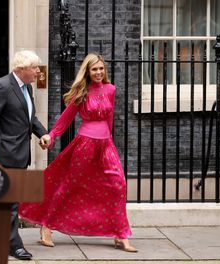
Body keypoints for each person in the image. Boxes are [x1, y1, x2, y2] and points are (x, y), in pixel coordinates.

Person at [20, 53, 137, 252]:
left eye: (101, 68)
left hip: (105, 145)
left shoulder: (110, 89)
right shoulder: (82, 92)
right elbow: (66, 118)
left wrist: (108, 142)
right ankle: (47, 225)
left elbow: (109, 119)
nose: (99, 72)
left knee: (119, 184)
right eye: (95, 69)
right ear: (88, 72)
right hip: (85, 145)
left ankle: (121, 234)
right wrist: (52, 135)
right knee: (69, 185)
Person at [0, 50, 51, 260]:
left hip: (19, 153)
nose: (38, 71)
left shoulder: (26, 87)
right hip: (5, 153)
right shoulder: (2, 86)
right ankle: (14, 245)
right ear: (21, 69)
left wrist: (43, 133)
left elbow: (30, 118)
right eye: (34, 67)